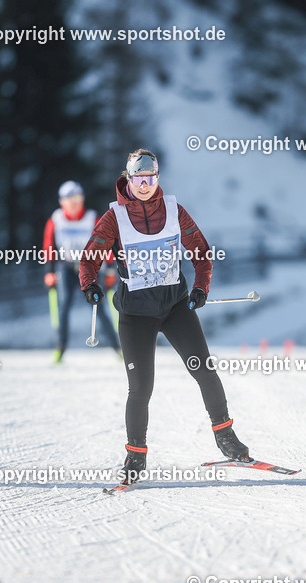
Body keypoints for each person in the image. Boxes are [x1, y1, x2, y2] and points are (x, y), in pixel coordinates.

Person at [78, 148, 250, 485]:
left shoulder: (174, 211)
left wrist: (201, 287)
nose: (144, 185)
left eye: (150, 178)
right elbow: (89, 260)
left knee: (205, 370)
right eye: (138, 179)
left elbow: (202, 254)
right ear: (128, 179)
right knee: (140, 388)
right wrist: (90, 285)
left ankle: (226, 437)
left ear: (157, 178)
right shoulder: (114, 218)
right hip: (135, 314)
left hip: (174, 307)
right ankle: (135, 455)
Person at [43, 180, 120, 362]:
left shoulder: (92, 218)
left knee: (98, 307)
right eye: (69, 199)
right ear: (62, 202)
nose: (73, 203)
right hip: (66, 267)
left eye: (77, 198)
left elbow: (106, 243)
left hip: (89, 268)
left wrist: (109, 269)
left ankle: (118, 347)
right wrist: (50, 271)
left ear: (82, 199)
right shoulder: (56, 220)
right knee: (63, 307)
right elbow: (49, 246)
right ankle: (60, 349)